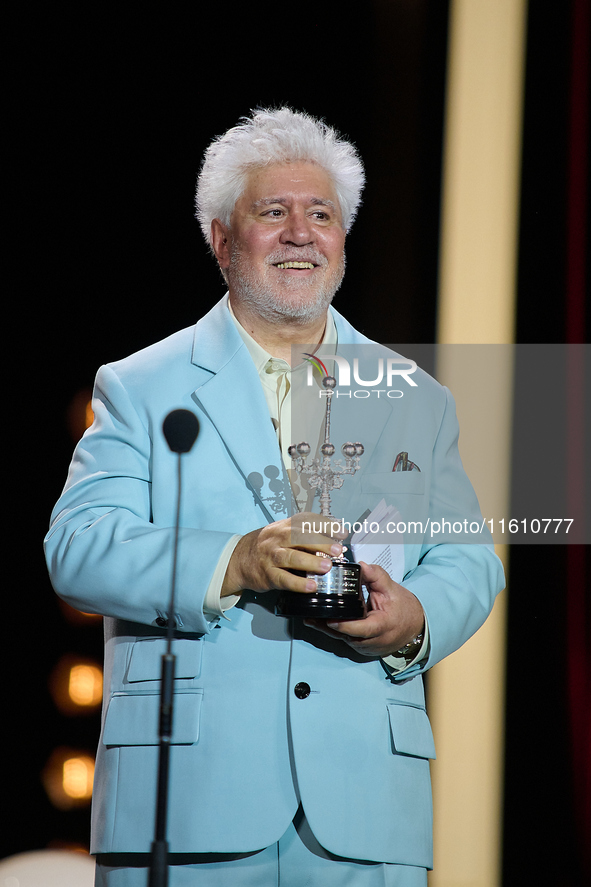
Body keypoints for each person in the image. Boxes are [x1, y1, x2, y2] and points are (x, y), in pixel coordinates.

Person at [45, 108, 505, 886]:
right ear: (222, 240)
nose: (300, 232)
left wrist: (413, 618)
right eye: (272, 212)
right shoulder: (142, 386)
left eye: (320, 214)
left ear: (343, 240)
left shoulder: (415, 396)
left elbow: (467, 562)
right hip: (186, 807)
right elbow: (79, 545)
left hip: (365, 811)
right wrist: (235, 560)